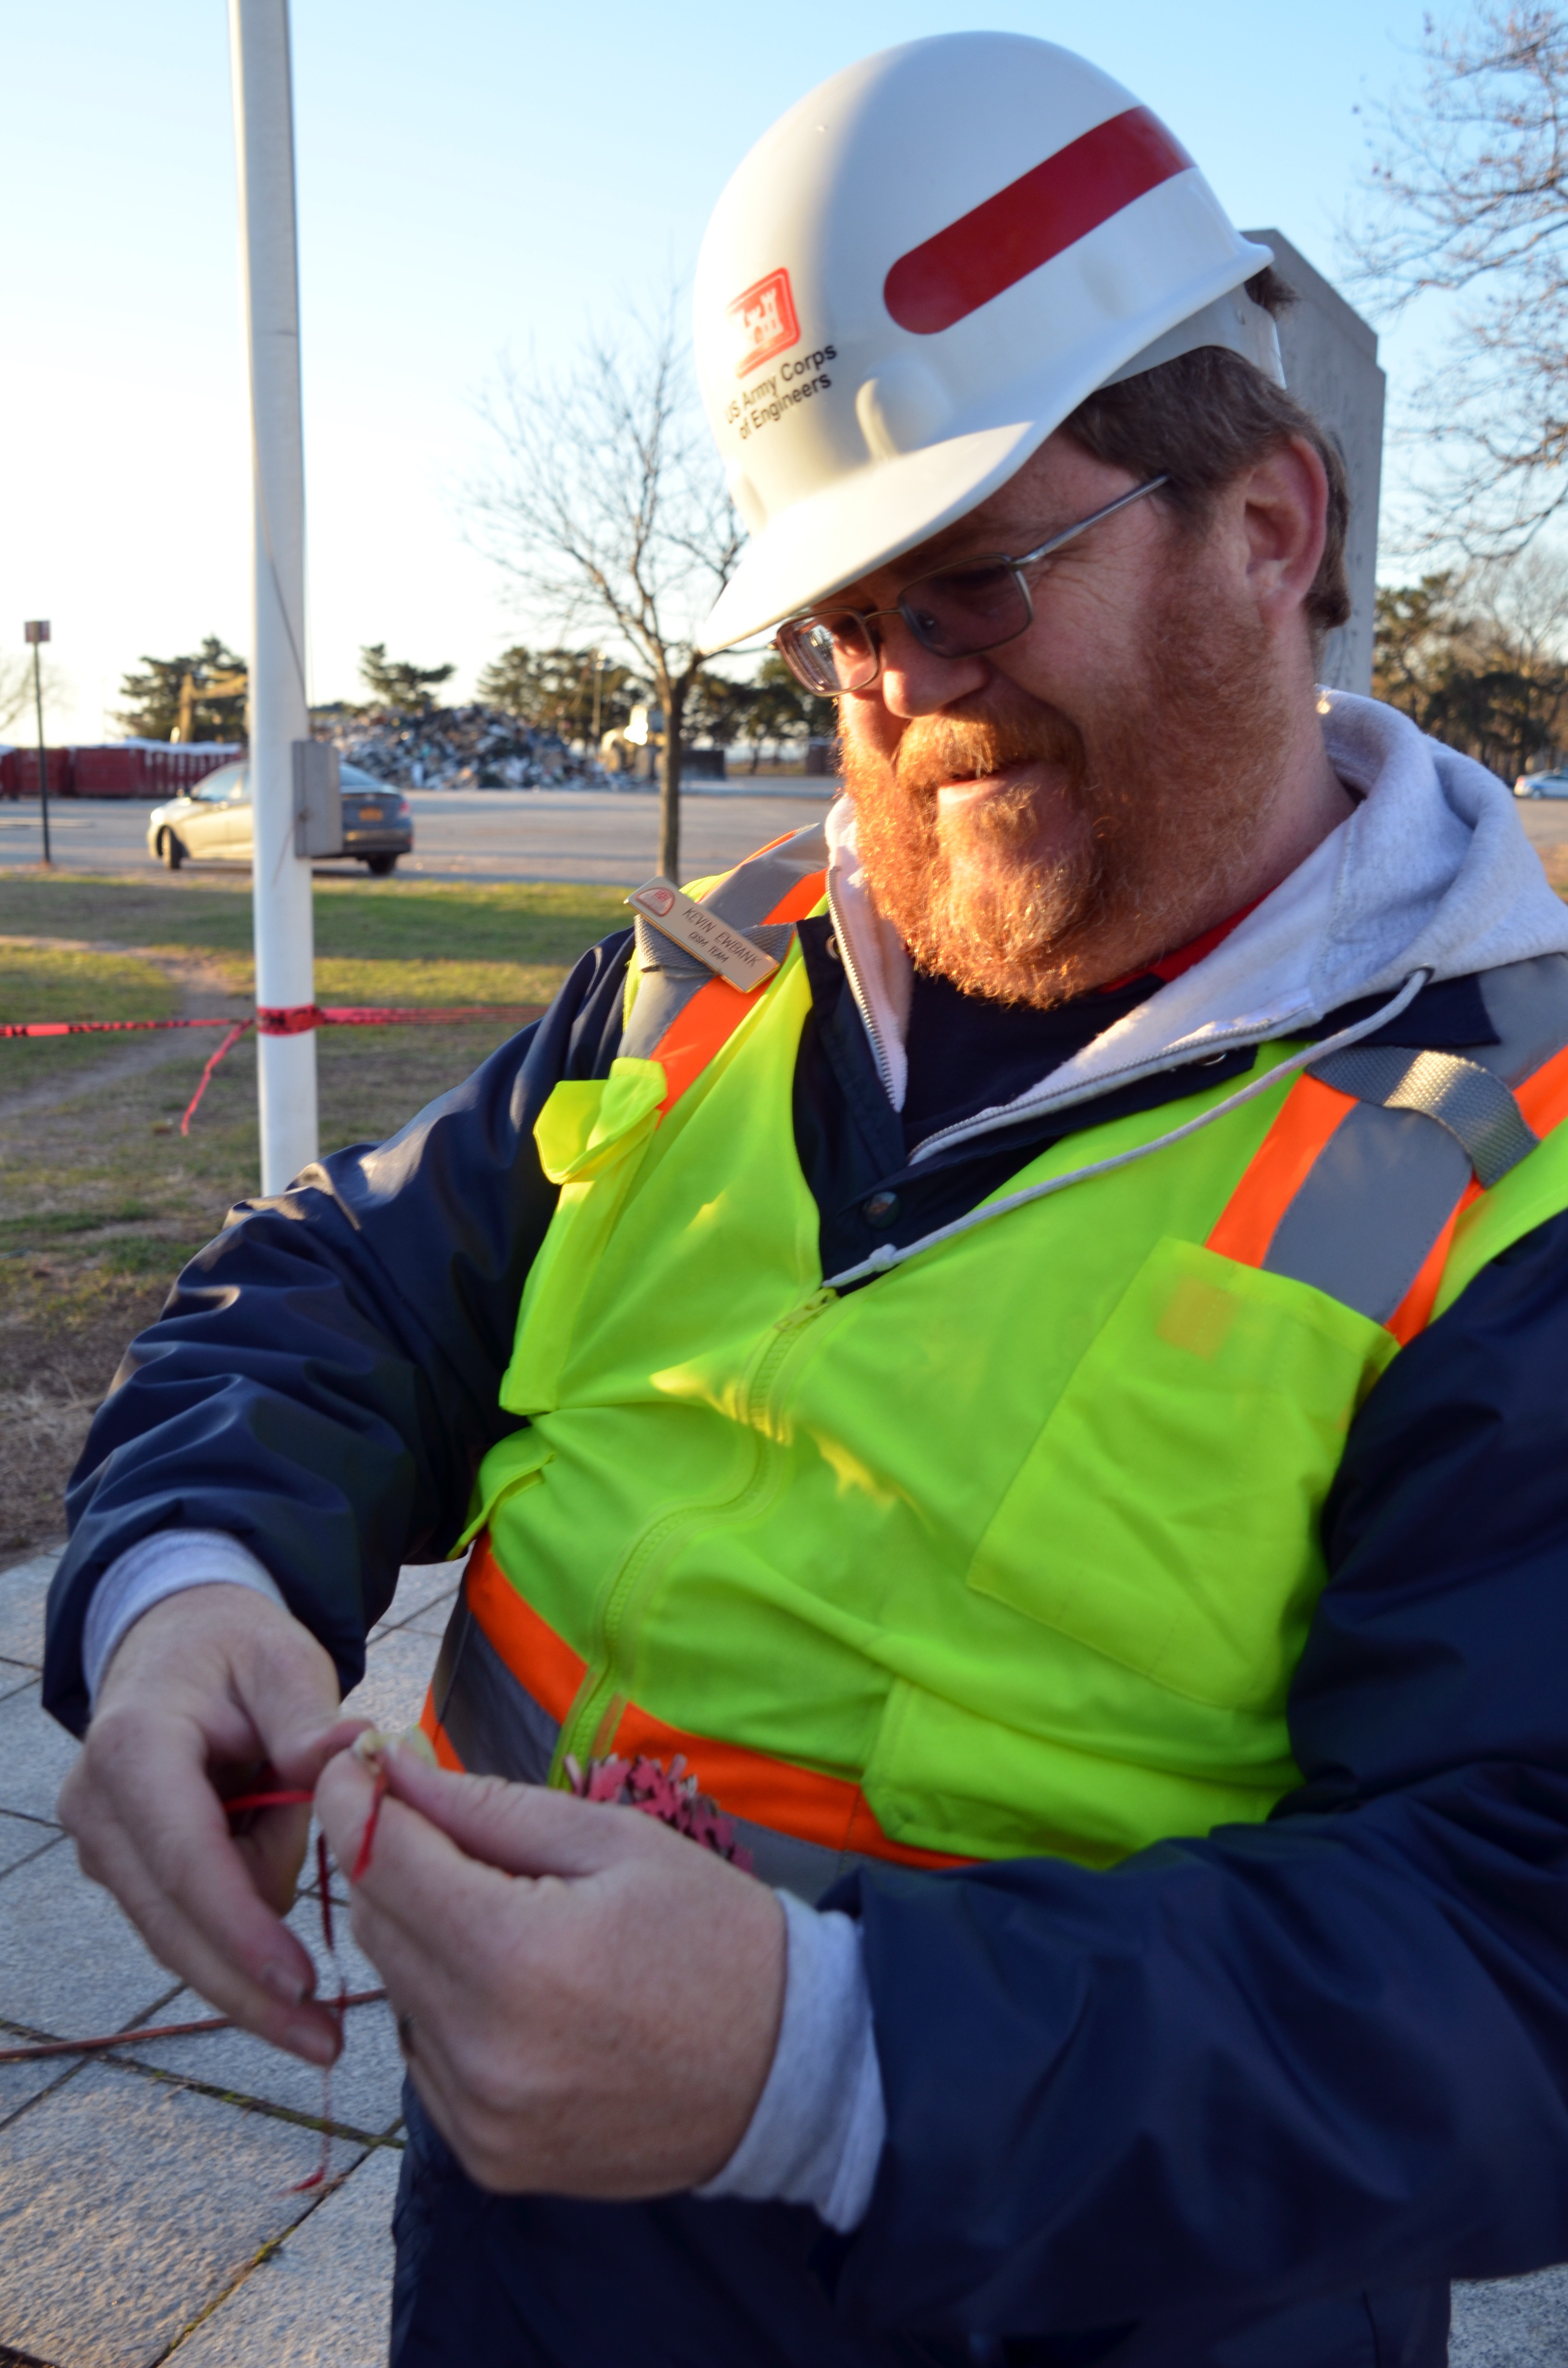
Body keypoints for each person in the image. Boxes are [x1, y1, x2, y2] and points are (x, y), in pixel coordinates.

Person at [45, 31, 1568, 2368]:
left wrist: (832, 2065)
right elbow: (341, 1279)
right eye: (838, 624)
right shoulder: (728, 961)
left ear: (1270, 528)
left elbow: (1514, 1948)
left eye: (968, 585)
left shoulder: (1508, 1155)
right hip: (533, 2248)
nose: (899, 699)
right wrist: (182, 1583)